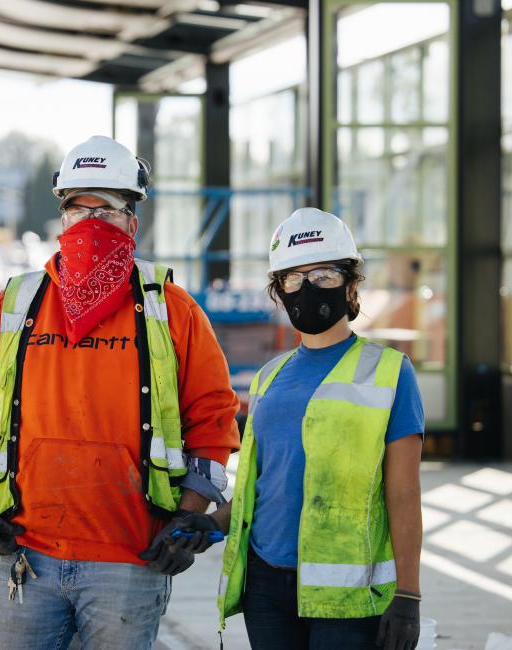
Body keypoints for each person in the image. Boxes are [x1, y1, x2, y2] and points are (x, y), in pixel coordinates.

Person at [0, 135, 240, 649]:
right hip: (27, 557)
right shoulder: (15, 306)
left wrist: (191, 516)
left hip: (130, 563)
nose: (91, 223)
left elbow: (212, 423)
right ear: (61, 220)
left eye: (107, 209)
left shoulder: (173, 311)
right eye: (79, 208)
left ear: (133, 222)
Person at [173, 207, 424, 650]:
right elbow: (263, 484)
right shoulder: (270, 376)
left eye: (324, 274)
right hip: (266, 585)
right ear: (279, 290)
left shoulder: (389, 372)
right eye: (294, 278)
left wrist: (408, 594)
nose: (308, 289)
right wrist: (210, 524)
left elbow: (403, 494)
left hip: (347, 597)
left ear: (350, 282)